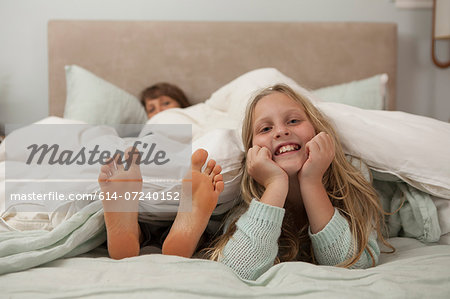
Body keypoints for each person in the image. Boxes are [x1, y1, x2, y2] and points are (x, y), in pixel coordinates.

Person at [203, 84, 393, 280]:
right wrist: (275, 184)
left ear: (318, 129)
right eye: (266, 128)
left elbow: (354, 264)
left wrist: (312, 182)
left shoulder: (352, 175)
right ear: (252, 152)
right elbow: (239, 270)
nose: (281, 131)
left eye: (293, 121)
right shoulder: (246, 195)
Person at [98, 147, 224, 259]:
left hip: (143, 218)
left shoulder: (153, 126)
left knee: (138, 231)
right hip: (174, 218)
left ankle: (135, 233)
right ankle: (188, 232)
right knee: (206, 233)